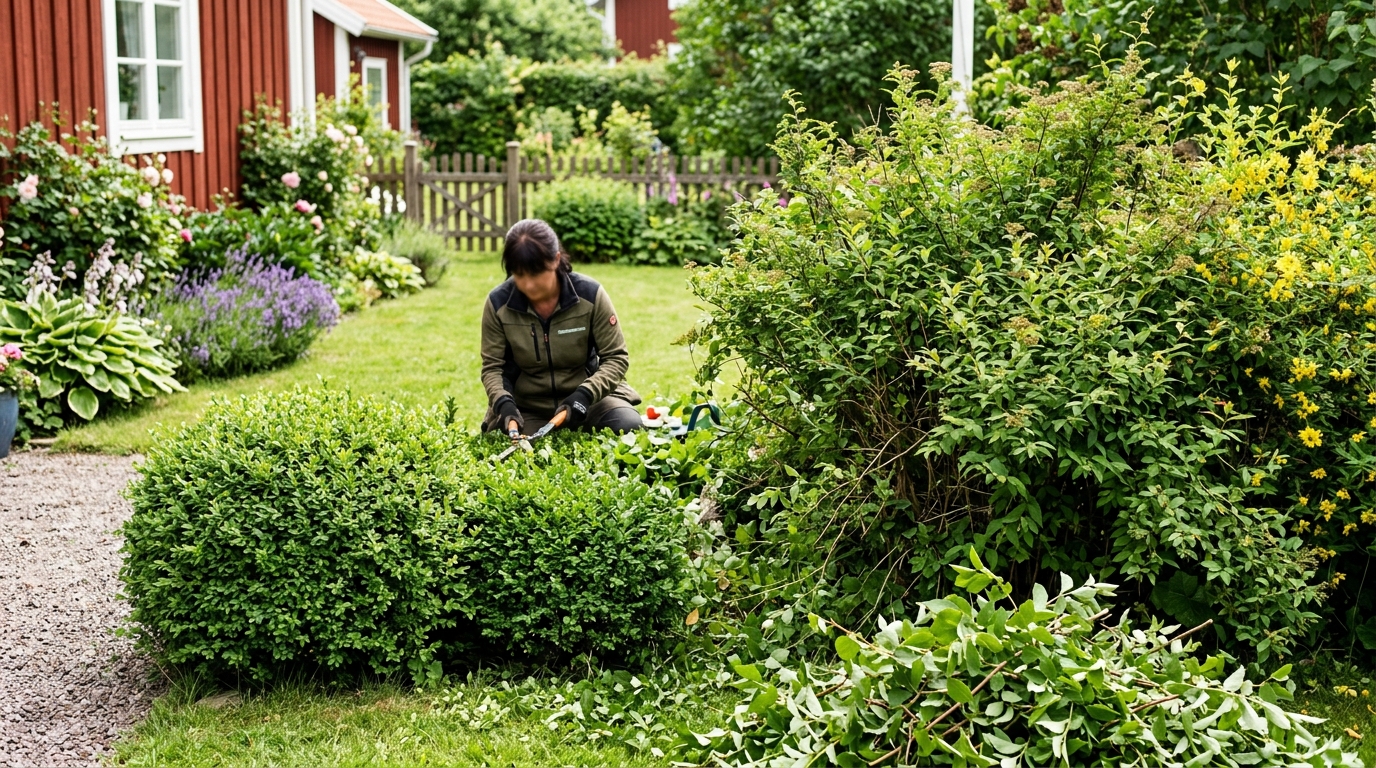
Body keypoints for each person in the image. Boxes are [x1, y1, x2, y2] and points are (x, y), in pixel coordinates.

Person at [481, 218, 643, 435]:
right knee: (522, 452)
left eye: (536, 274)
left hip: (589, 401)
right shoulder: (497, 304)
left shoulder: (590, 295)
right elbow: (492, 367)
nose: (528, 284)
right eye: (519, 275)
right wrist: (504, 404)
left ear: (556, 260)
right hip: (528, 409)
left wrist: (585, 395)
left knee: (628, 426)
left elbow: (616, 358)